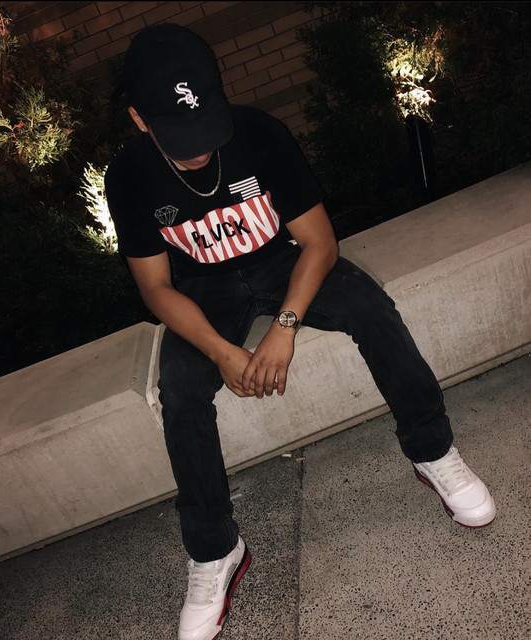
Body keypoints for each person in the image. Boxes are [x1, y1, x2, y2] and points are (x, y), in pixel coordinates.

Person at [105, 23, 496, 640]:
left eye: (206, 126)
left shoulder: (258, 132)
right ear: (139, 118)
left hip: (281, 259)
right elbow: (156, 288)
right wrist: (222, 352)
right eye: (181, 137)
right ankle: (215, 550)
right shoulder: (128, 173)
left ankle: (432, 451)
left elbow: (319, 242)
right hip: (202, 287)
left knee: (369, 307)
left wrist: (284, 327)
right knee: (179, 387)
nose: (199, 148)